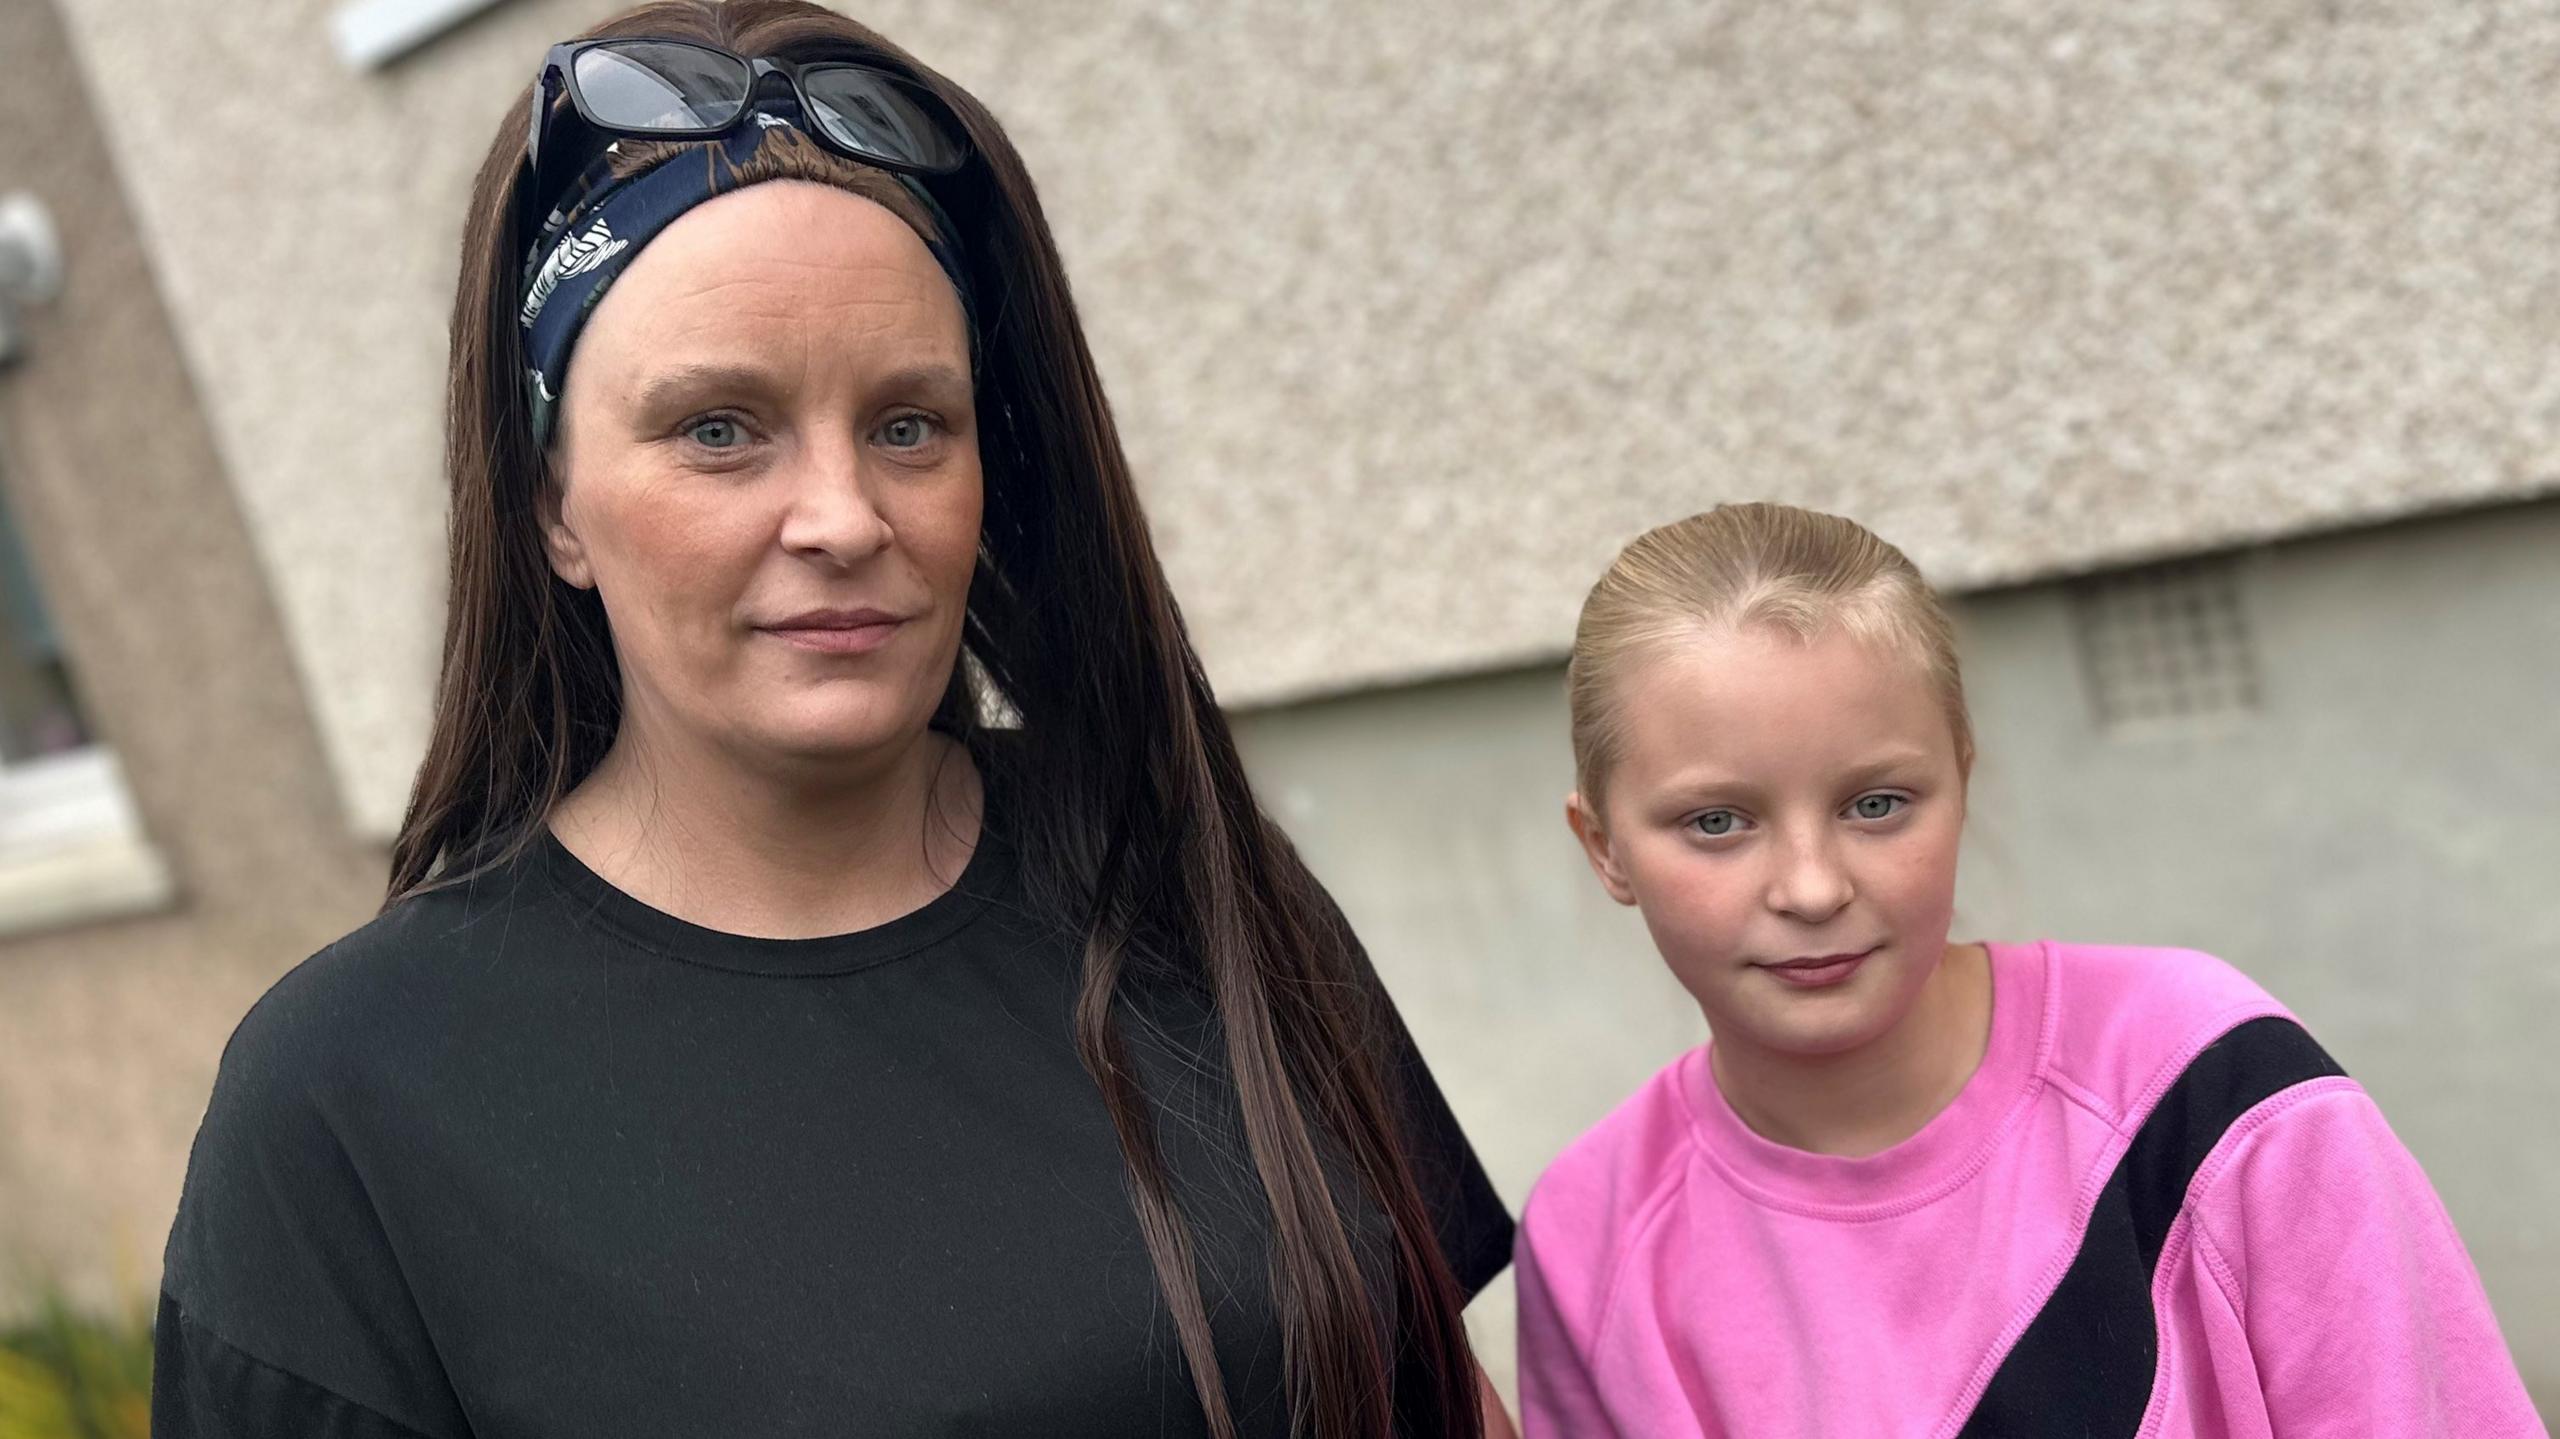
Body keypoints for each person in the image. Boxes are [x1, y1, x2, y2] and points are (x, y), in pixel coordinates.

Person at [151, 4, 1516, 1435]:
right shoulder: (350, 1100)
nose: (845, 517)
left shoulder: (1184, 877)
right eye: (719, 429)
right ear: (556, 501)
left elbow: (1447, 1389)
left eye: (908, 422)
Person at [1515, 502, 2544, 1436]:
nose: (1812, 885)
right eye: (1716, 821)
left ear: (1960, 778)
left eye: (1876, 802)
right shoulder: (1589, 1234)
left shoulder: (2211, 1087)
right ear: (1603, 844)